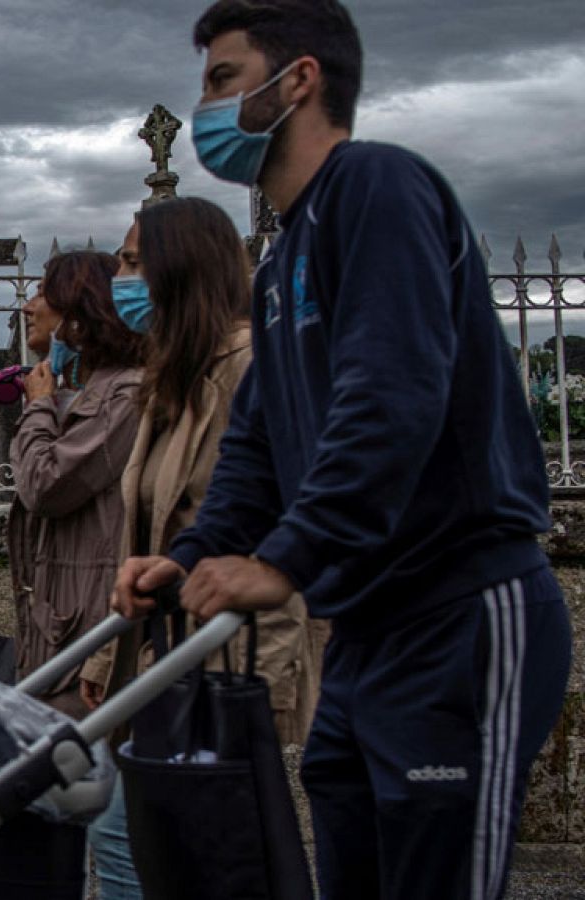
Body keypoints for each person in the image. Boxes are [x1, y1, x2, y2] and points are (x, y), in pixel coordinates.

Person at [111, 3, 572, 897]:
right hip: (365, 630)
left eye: (221, 78)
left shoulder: (378, 188)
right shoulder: (283, 265)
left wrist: (286, 558)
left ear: (300, 80)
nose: (203, 107)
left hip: (459, 611)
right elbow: (257, 449)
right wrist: (192, 556)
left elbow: (392, 394)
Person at [77, 197, 317, 899]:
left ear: (178, 268)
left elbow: (278, 523)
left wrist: (263, 689)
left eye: (130, 261)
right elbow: (148, 532)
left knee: (141, 840)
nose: (119, 277)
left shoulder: (250, 370)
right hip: (164, 654)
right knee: (139, 841)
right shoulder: (171, 376)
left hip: (230, 656)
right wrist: (104, 652)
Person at [8, 250, 146, 719]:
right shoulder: (92, 391)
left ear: (80, 314)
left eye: (44, 293)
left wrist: (39, 407)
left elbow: (45, 485)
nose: (28, 306)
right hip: (58, 636)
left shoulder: (125, 394)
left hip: (84, 642)